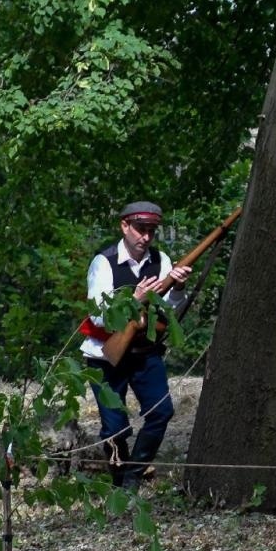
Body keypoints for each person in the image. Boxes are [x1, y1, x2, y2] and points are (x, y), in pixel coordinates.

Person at [81, 200, 192, 490]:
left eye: (151, 231)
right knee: (114, 428)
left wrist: (178, 287)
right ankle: (120, 484)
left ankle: (133, 475)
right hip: (106, 355)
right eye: (140, 229)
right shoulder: (103, 262)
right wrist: (134, 301)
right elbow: (98, 315)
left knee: (161, 412)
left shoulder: (161, 260)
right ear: (124, 226)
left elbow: (170, 310)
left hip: (144, 352)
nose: (146, 236)